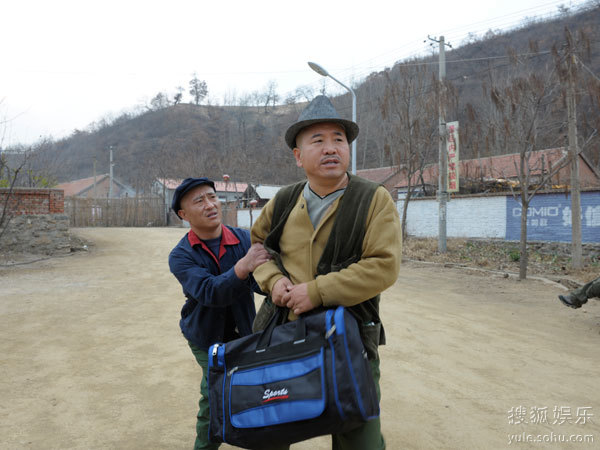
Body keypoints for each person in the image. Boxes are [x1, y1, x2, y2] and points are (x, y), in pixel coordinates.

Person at [250, 95, 402, 450]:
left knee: (358, 432)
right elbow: (259, 249)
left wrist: (315, 291)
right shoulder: (284, 201)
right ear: (298, 156)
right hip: (285, 335)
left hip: (348, 338)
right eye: (317, 140)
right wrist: (274, 282)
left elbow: (383, 266)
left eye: (338, 139)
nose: (331, 148)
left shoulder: (373, 199)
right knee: (270, 427)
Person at [168, 177, 270, 450]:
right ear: (183, 214)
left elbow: (260, 283)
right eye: (198, 201)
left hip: (244, 332)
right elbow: (209, 292)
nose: (210, 204)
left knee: (255, 391)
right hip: (205, 336)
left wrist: (277, 283)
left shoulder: (243, 238)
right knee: (215, 394)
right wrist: (243, 266)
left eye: (212, 197)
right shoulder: (181, 255)